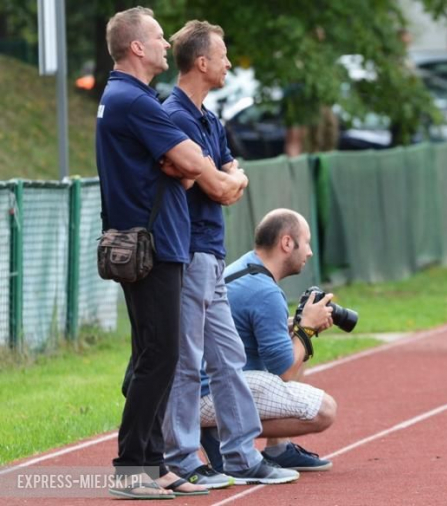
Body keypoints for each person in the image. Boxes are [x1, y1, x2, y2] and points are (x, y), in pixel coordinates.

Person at [158, 20, 299, 487]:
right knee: (187, 358)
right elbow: (220, 185)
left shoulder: (210, 119)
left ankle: (240, 455)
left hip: (214, 253)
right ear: (202, 62)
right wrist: (222, 179)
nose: (228, 64)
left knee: (229, 357)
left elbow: (232, 177)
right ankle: (180, 456)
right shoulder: (174, 116)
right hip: (190, 250)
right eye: (222, 56)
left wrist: (223, 179)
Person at [96, 6, 223, 499]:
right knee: (160, 355)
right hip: (154, 245)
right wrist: (184, 163)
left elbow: (187, 167)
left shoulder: (124, 97)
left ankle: (154, 463)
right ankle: (132, 468)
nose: (166, 44)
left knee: (155, 353)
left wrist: (183, 165)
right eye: (157, 37)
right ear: (136, 47)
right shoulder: (136, 101)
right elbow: (193, 162)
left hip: (147, 243)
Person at [199, 209, 338, 472]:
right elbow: (284, 371)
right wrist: (306, 327)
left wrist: (299, 328)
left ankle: (278, 448)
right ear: (287, 243)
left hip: (197, 384)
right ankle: (216, 429)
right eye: (306, 242)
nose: (309, 252)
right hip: (207, 393)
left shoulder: (246, 267)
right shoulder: (264, 291)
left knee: (293, 338)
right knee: (324, 411)